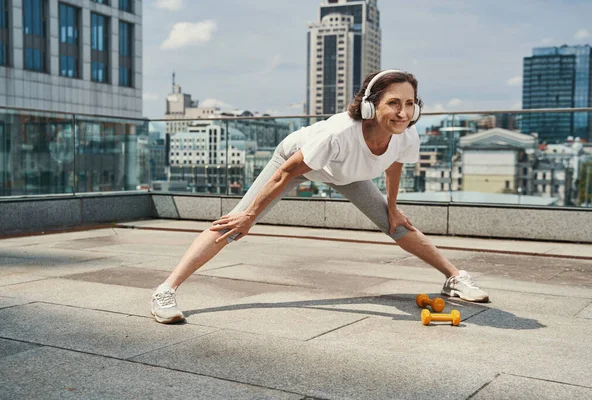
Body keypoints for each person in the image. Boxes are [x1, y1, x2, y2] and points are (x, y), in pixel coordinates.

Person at [151, 69, 489, 324]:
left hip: (347, 173)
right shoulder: (337, 134)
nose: (403, 112)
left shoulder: (405, 135)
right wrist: (250, 216)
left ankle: (454, 278)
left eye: (410, 104)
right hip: (295, 161)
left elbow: (394, 165)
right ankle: (166, 290)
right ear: (371, 106)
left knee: (396, 225)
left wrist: (393, 208)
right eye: (394, 103)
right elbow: (288, 173)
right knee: (234, 224)